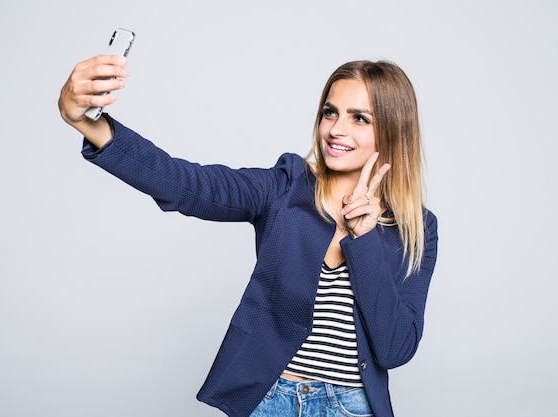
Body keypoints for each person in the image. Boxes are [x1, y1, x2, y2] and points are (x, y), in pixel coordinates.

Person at [58, 55, 438, 417]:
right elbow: (183, 183)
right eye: (330, 112)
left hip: (353, 406)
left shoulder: (415, 229)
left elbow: (395, 349)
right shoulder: (283, 188)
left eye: (360, 118)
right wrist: (88, 122)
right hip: (271, 399)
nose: (337, 129)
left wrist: (366, 238)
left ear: (392, 131)